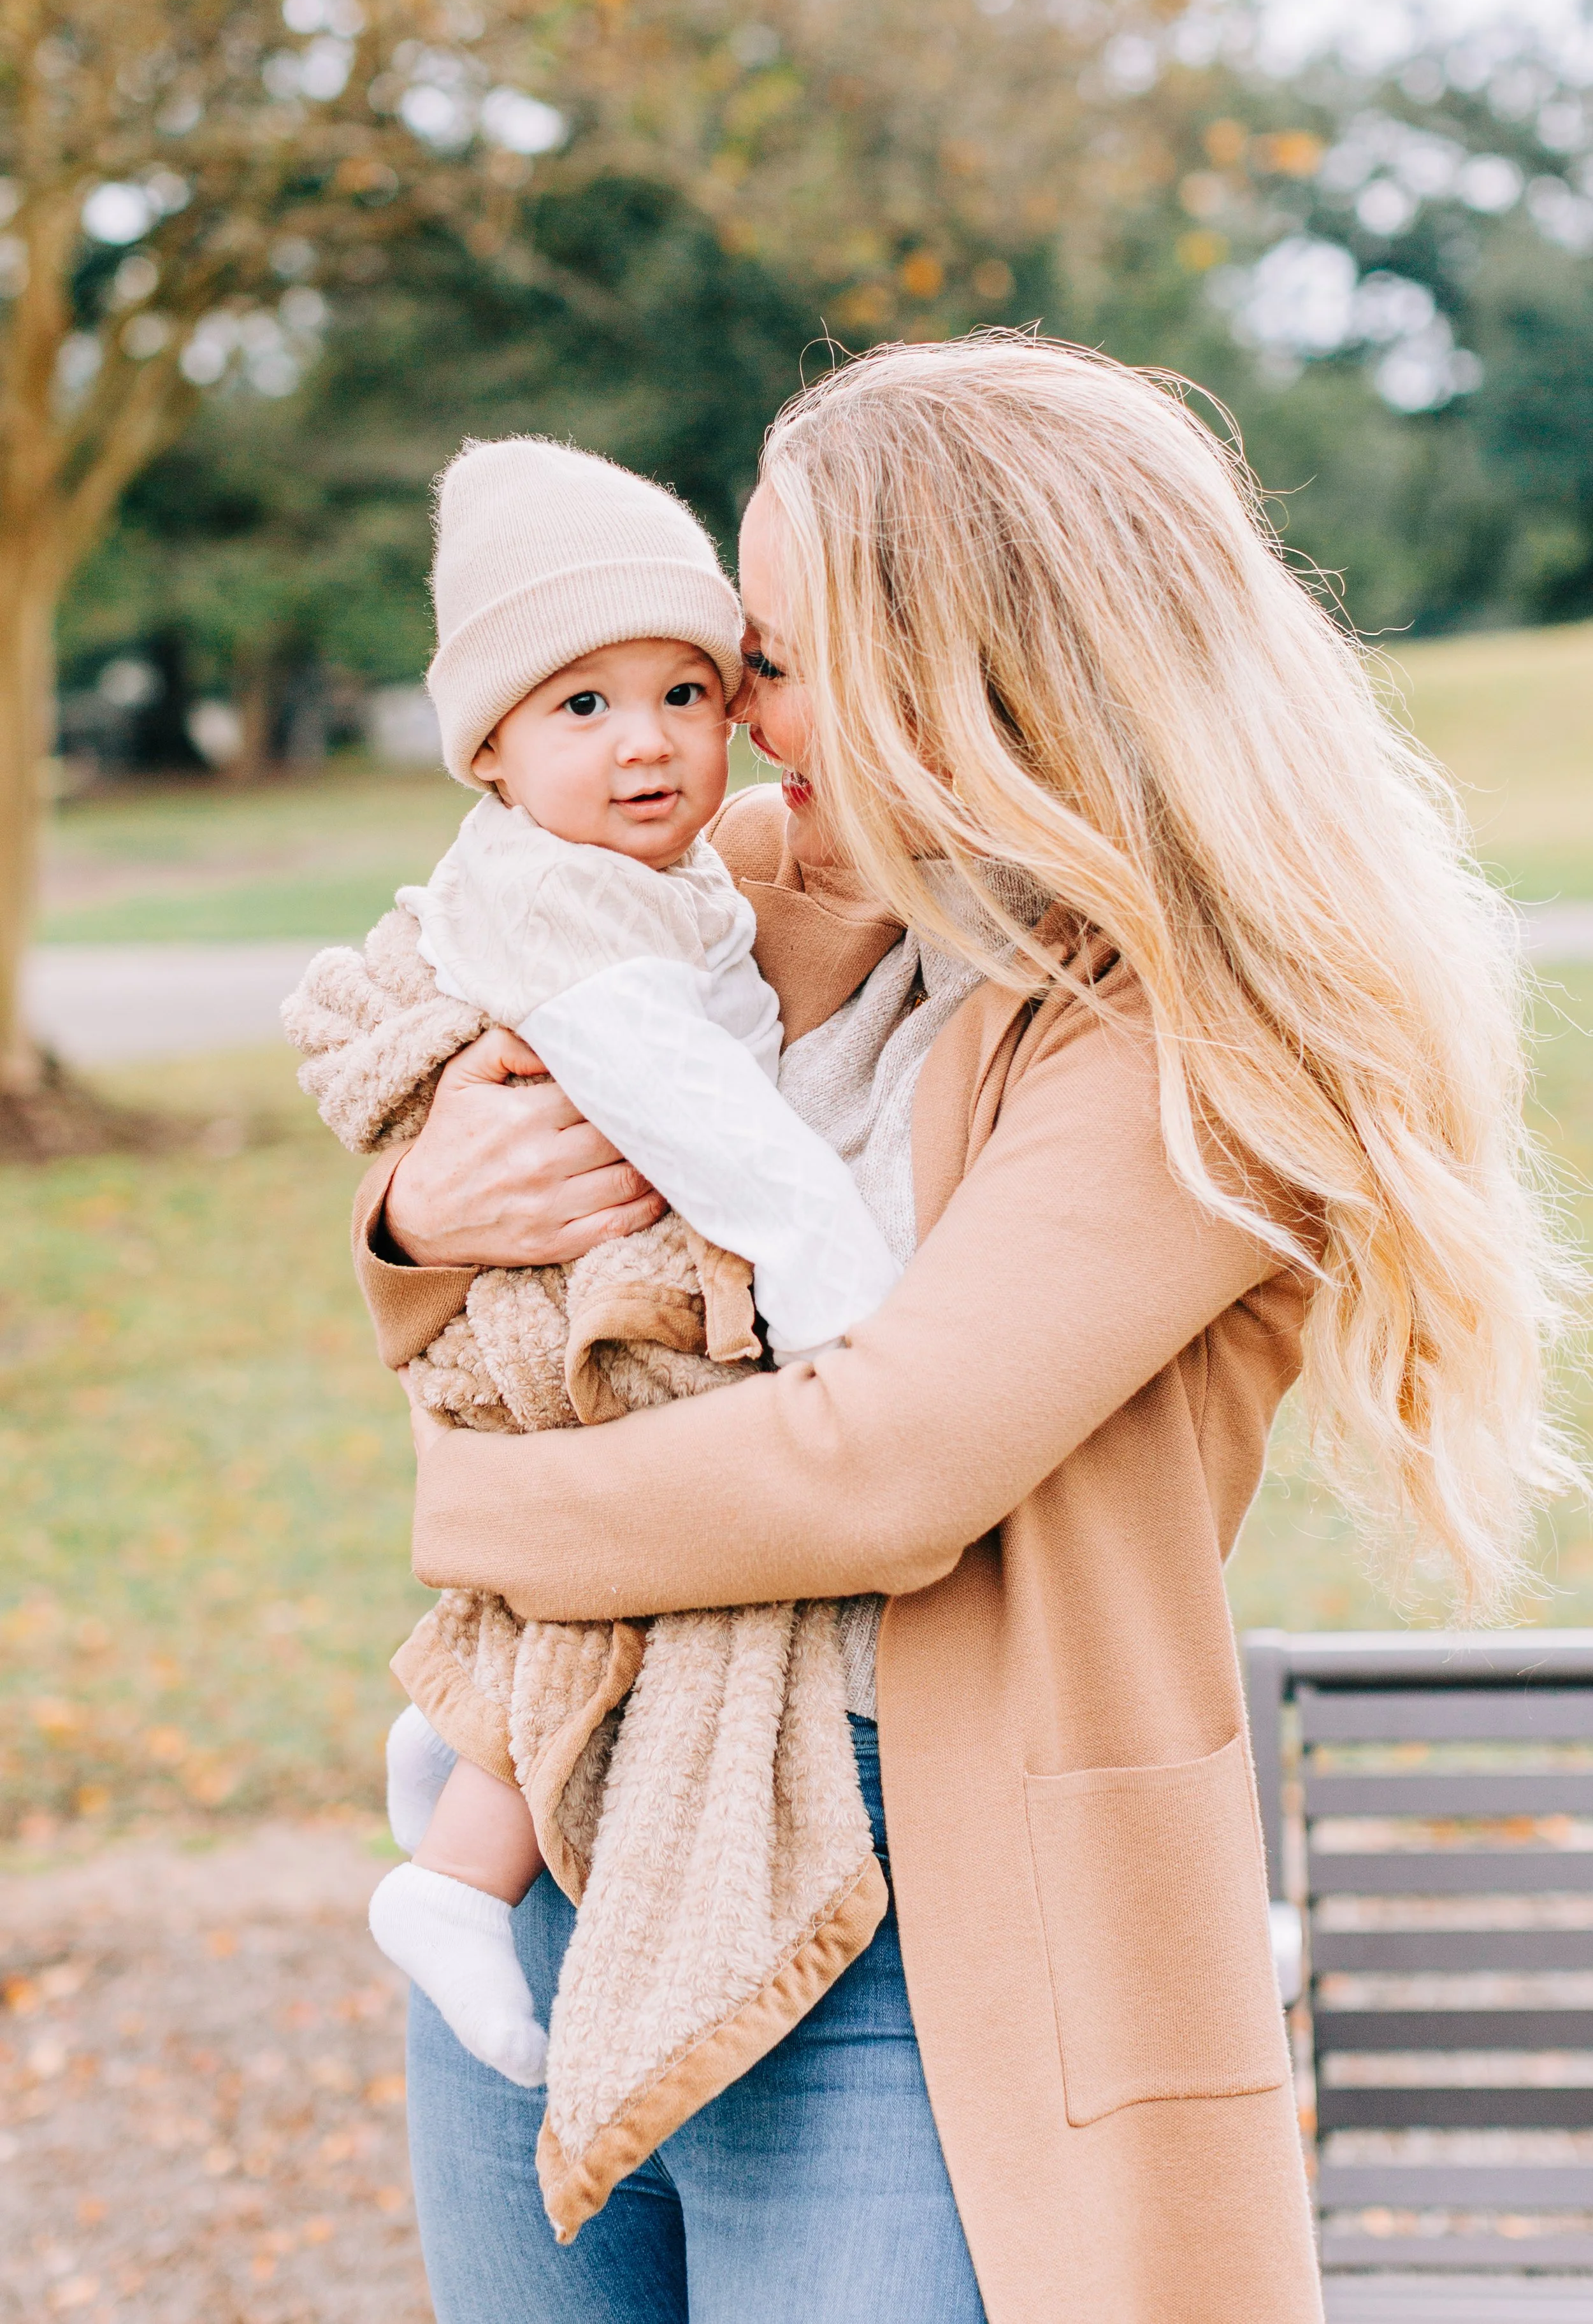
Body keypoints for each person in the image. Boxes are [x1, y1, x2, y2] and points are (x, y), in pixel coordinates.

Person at [352, 335, 1575, 2324]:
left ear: (992, 665)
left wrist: (471, 1504)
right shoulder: (762, 885)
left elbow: (881, 1467)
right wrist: (414, 1213)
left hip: (921, 1928)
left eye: (786, 657)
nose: (739, 726)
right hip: (587, 1831)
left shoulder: (1206, 1045)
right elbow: (467, 1035)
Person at [285, 436, 900, 2111]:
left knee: (601, 1513)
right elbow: (688, 1115)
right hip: (591, 1326)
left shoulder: (692, 871)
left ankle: (472, 1741)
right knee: (619, 1459)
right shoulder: (608, 895)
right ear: (486, 750)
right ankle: (472, 1811)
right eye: (581, 706)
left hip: (864, 1687)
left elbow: (896, 1463)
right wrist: (412, 1212)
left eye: (695, 688)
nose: (658, 739)